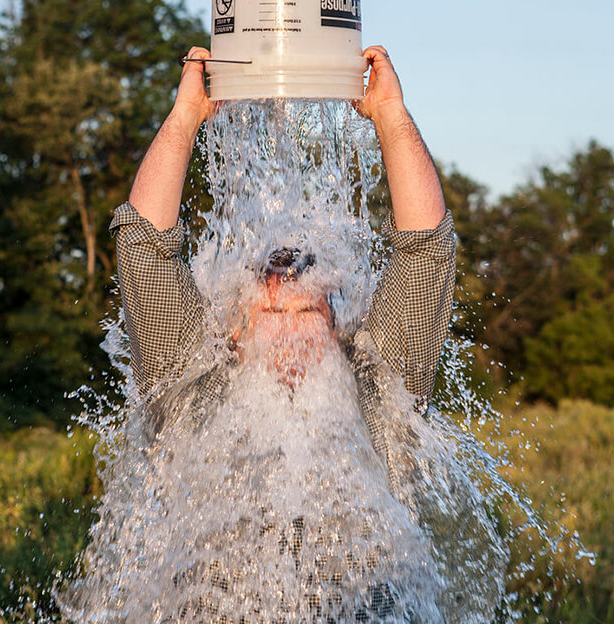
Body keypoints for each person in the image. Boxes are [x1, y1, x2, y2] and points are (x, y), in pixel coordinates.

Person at [105, 45, 458, 622]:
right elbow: (143, 246)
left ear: (339, 324)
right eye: (273, 315)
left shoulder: (379, 389)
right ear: (235, 330)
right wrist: (185, 117)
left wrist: (391, 116)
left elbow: (425, 250)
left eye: (307, 313)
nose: (289, 313)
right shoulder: (191, 388)